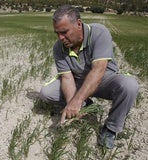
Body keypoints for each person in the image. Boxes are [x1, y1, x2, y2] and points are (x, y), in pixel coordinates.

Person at [40, 5, 139, 149]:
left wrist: (76, 101)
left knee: (129, 86)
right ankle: (87, 105)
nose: (60, 38)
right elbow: (67, 78)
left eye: (64, 32)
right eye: (57, 33)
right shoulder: (58, 48)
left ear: (78, 24)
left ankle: (111, 129)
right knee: (46, 92)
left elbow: (98, 70)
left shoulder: (99, 33)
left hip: (103, 80)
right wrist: (72, 104)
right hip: (78, 82)